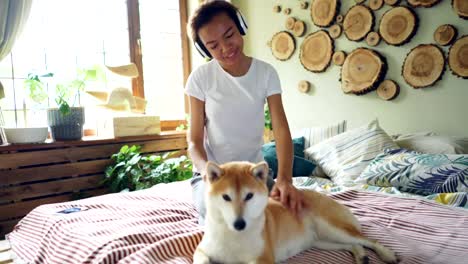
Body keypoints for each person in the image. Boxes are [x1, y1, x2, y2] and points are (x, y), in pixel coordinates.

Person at [185, 1, 303, 224]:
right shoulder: (200, 78)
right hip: (213, 176)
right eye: (213, 46)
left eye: (229, 35)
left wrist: (285, 179)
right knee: (219, 216)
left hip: (253, 175)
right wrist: (205, 173)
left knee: (288, 213)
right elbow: (194, 141)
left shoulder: (266, 73)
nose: (225, 48)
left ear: (240, 26)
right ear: (204, 50)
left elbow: (280, 129)